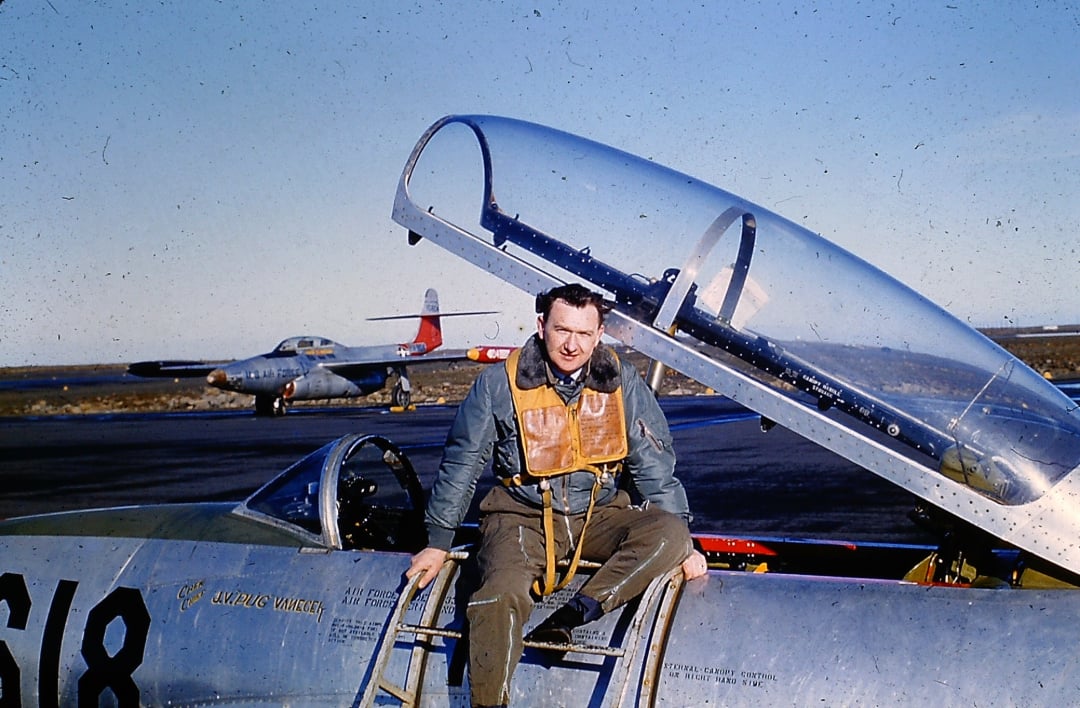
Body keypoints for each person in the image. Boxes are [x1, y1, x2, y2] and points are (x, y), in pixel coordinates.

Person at [406, 283, 708, 708]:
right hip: (520, 517)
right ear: (541, 325)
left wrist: (684, 543)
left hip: (597, 514)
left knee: (670, 534)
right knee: (501, 593)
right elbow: (463, 462)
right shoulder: (499, 384)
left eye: (584, 334)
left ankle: (573, 615)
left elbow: (653, 463)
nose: (572, 345)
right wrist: (438, 543)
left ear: (599, 334)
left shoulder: (622, 383)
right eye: (562, 330)